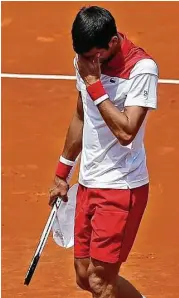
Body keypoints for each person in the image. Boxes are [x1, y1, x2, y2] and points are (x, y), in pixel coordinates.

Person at [49, 6, 158, 298]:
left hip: (121, 188)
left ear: (111, 43)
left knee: (101, 282)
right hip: (88, 182)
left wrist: (95, 85)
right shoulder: (87, 62)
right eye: (81, 57)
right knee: (85, 277)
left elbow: (126, 131)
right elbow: (81, 116)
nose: (84, 63)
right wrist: (63, 173)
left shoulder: (142, 69)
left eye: (91, 56)